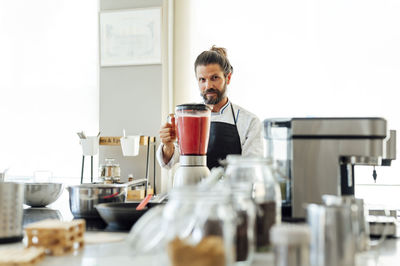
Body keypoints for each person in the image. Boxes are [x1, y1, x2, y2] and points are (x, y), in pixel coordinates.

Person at [157, 46, 263, 170]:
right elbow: (168, 162)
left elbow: (251, 170)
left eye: (214, 78)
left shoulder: (249, 122)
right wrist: (167, 145)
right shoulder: (187, 116)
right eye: (202, 79)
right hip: (193, 187)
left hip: (231, 188)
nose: (208, 86)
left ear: (227, 78)